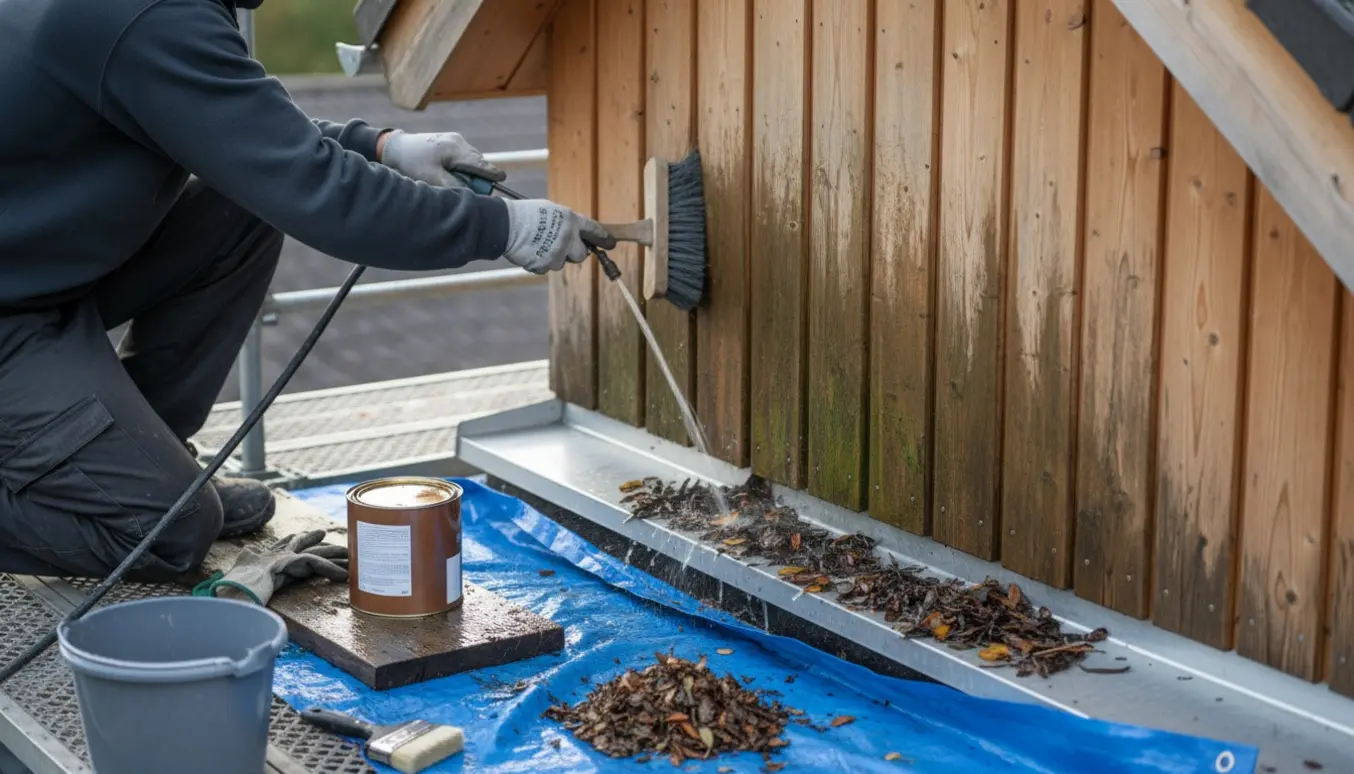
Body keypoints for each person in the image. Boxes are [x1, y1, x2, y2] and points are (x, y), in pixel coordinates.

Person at [0, 0, 612, 581]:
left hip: (40, 274)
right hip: (16, 312)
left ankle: (144, 457)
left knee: (243, 206)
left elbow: (240, 131)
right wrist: (505, 226)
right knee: (172, 531)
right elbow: (321, 193)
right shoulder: (146, 13)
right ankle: (126, 493)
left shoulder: (158, 15)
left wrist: (380, 146)